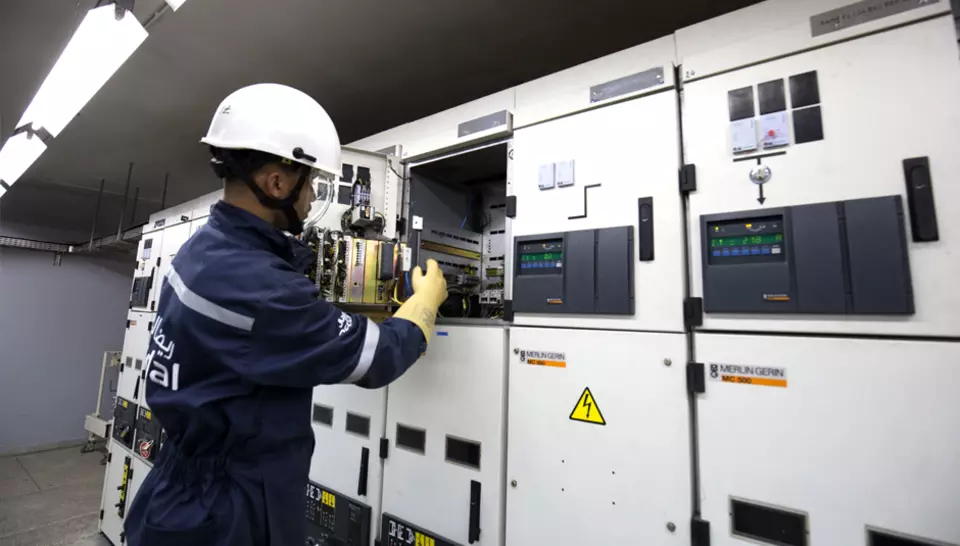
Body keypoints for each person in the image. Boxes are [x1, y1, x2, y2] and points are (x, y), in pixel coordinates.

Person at [123, 83, 448, 546]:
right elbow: (377, 358)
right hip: (228, 512)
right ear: (277, 183)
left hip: (182, 487)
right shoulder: (264, 290)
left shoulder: (203, 250)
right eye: (310, 182)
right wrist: (425, 305)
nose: (313, 196)